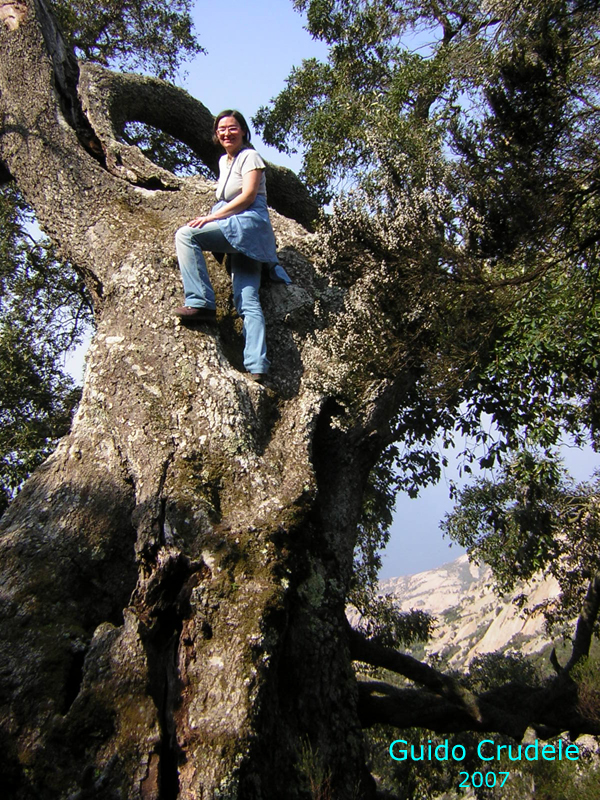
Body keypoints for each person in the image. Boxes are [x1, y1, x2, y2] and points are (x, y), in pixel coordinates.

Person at [174, 109, 290, 382]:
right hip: (242, 232)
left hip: (248, 225)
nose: (227, 133)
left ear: (243, 131)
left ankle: (200, 301)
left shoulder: (250, 156)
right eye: (221, 129)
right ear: (216, 135)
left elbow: (249, 196)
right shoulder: (224, 162)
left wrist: (213, 216)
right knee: (247, 298)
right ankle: (257, 365)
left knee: (186, 235)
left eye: (232, 127)